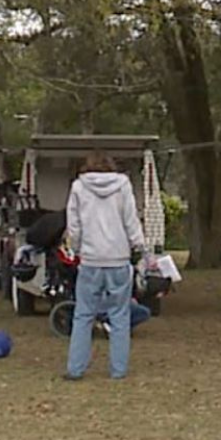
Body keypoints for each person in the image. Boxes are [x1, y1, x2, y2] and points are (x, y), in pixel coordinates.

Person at [64, 151, 146, 381]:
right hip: (118, 257)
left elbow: (74, 224)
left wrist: (78, 248)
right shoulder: (123, 185)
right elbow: (130, 219)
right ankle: (118, 370)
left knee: (83, 316)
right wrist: (138, 245)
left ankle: (75, 368)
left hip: (91, 259)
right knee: (120, 316)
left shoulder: (79, 188)